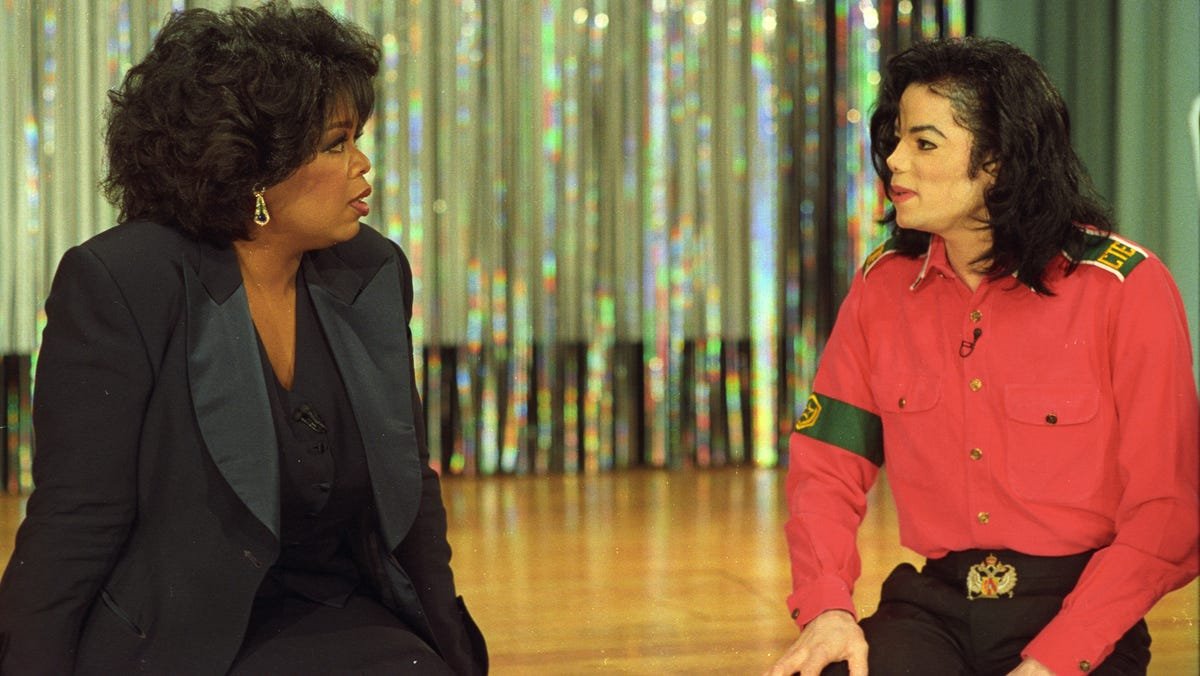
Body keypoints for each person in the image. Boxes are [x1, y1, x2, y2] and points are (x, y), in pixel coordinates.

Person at [0, 2, 486, 674]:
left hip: (334, 609)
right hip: (180, 638)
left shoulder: (372, 270)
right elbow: (76, 520)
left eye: (358, 139)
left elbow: (413, 495)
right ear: (252, 168)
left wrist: (451, 653)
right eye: (336, 143)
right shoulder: (125, 282)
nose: (363, 164)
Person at [767, 37, 1198, 676]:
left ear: (998, 158)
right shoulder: (882, 288)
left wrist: (1057, 657)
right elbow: (826, 469)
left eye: (924, 143)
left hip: (1078, 611)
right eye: (895, 140)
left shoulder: (1125, 289)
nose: (894, 161)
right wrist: (826, 607)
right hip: (934, 606)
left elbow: (1169, 512)